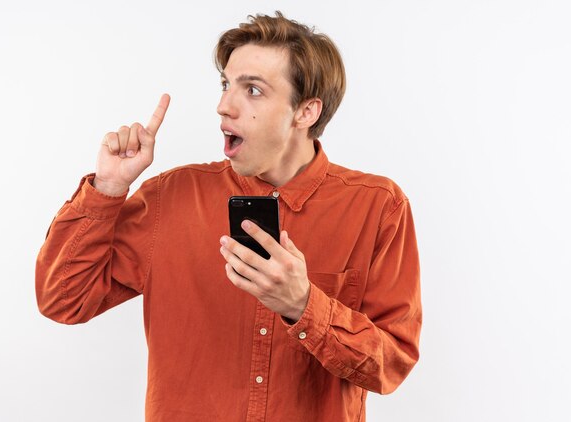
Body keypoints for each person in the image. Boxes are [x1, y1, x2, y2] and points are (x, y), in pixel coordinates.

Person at [36, 11, 422, 422]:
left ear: (306, 112)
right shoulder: (170, 198)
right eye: (226, 84)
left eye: (252, 90)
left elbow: (391, 365)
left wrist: (304, 305)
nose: (223, 106)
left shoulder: (378, 206)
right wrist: (108, 189)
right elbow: (63, 300)